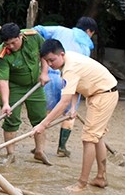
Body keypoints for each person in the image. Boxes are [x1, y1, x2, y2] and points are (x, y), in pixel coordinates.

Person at [33, 39, 119, 192]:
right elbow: (74, 87)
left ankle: (82, 183)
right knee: (96, 137)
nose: (50, 64)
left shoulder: (70, 68)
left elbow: (63, 101)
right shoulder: (66, 61)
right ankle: (101, 177)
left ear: (61, 54)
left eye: (52, 60)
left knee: (88, 138)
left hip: (103, 94)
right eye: (47, 61)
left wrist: (43, 124)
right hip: (99, 93)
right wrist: (73, 108)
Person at [34, 17, 97, 156]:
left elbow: (37, 30)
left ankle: (39, 147)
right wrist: (74, 107)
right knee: (69, 114)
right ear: (89, 31)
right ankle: (62, 147)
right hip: (71, 80)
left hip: (51, 77)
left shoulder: (60, 30)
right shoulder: (86, 46)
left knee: (46, 113)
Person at [0, 23, 51, 165]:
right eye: (8, 44)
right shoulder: (2, 55)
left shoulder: (33, 37)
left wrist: (44, 73)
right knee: (11, 119)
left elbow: (45, 54)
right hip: (14, 87)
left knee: (40, 118)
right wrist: (6, 102)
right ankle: (11, 154)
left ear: (20, 36)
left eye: (14, 42)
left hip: (35, 85)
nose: (12, 47)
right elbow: (3, 80)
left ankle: (39, 151)